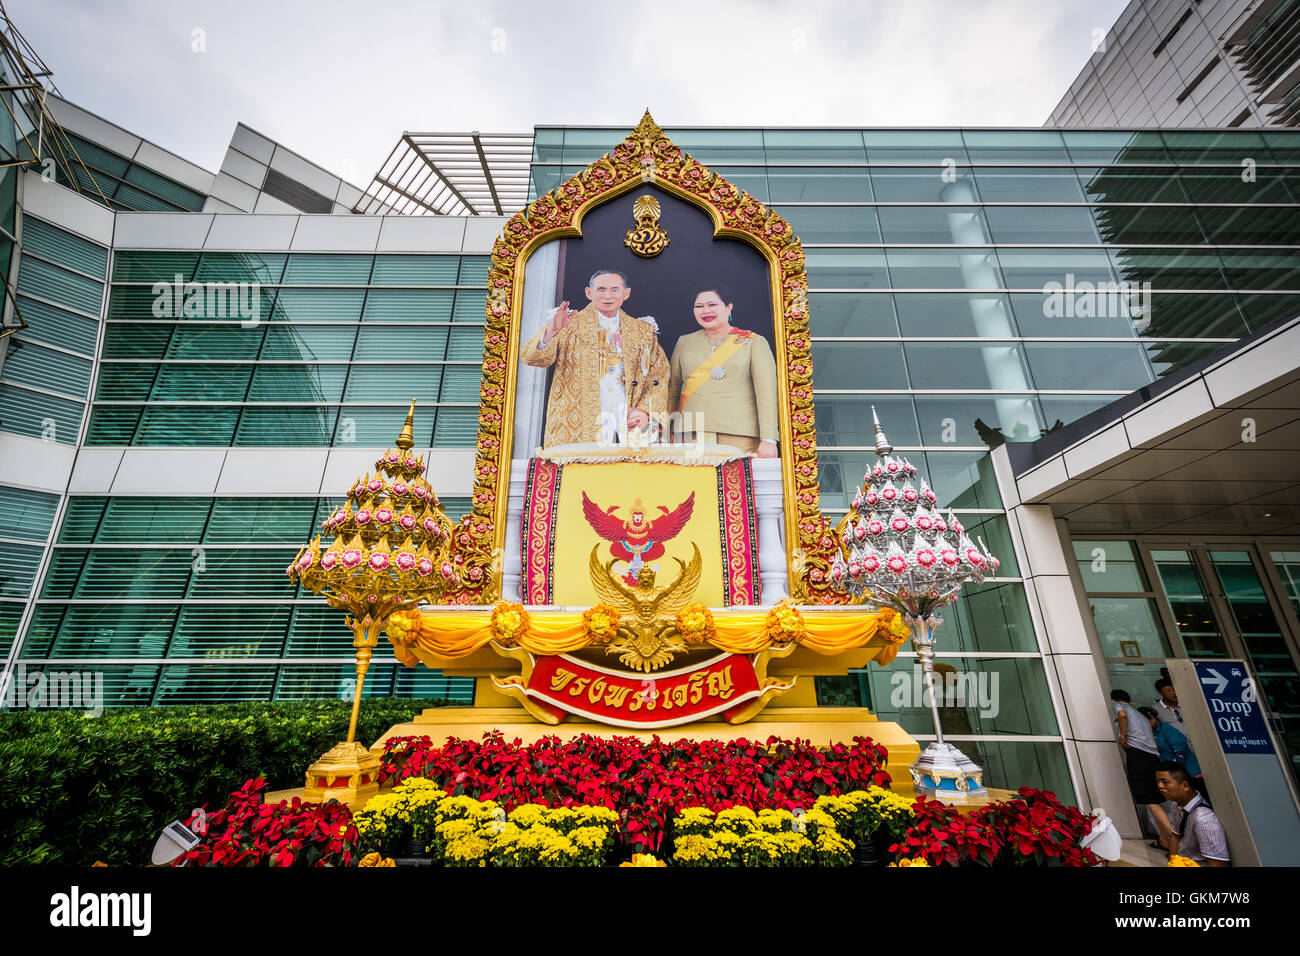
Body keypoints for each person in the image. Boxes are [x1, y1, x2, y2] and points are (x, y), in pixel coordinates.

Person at [520, 269, 669, 448]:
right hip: (579, 417)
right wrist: (552, 331)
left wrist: (645, 411)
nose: (608, 296)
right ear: (589, 293)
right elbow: (533, 358)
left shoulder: (642, 331)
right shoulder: (568, 323)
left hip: (628, 416)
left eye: (614, 290)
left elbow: (658, 376)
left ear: (626, 293)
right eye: (601, 290)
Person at [666, 282, 779, 456]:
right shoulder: (685, 342)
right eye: (699, 306)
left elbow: (766, 394)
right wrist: (666, 432)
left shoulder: (754, 342)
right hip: (690, 436)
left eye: (712, 305)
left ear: (728, 307)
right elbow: (672, 390)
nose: (706, 311)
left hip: (739, 435)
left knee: (735, 484)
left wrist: (769, 439)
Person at [1111, 688, 1174, 851]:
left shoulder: (1119, 705)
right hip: (1152, 757)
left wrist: (1122, 736)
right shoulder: (1141, 715)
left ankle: (1175, 840)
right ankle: (1164, 840)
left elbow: (1122, 715)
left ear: (1114, 700)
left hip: (1139, 757)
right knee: (1153, 797)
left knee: (1149, 799)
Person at [1157, 762, 1230, 866]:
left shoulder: (1204, 821)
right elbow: (1175, 836)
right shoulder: (1177, 803)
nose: (1160, 786)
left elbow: (1216, 864)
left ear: (1185, 785)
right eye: (1158, 781)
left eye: (1165, 782)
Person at [1140, 705, 1207, 799]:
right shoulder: (1150, 733)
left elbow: (1180, 752)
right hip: (1173, 779)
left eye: (1145, 723)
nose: (1144, 726)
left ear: (1152, 717)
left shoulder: (1167, 729)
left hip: (1190, 775)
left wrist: (1172, 774)